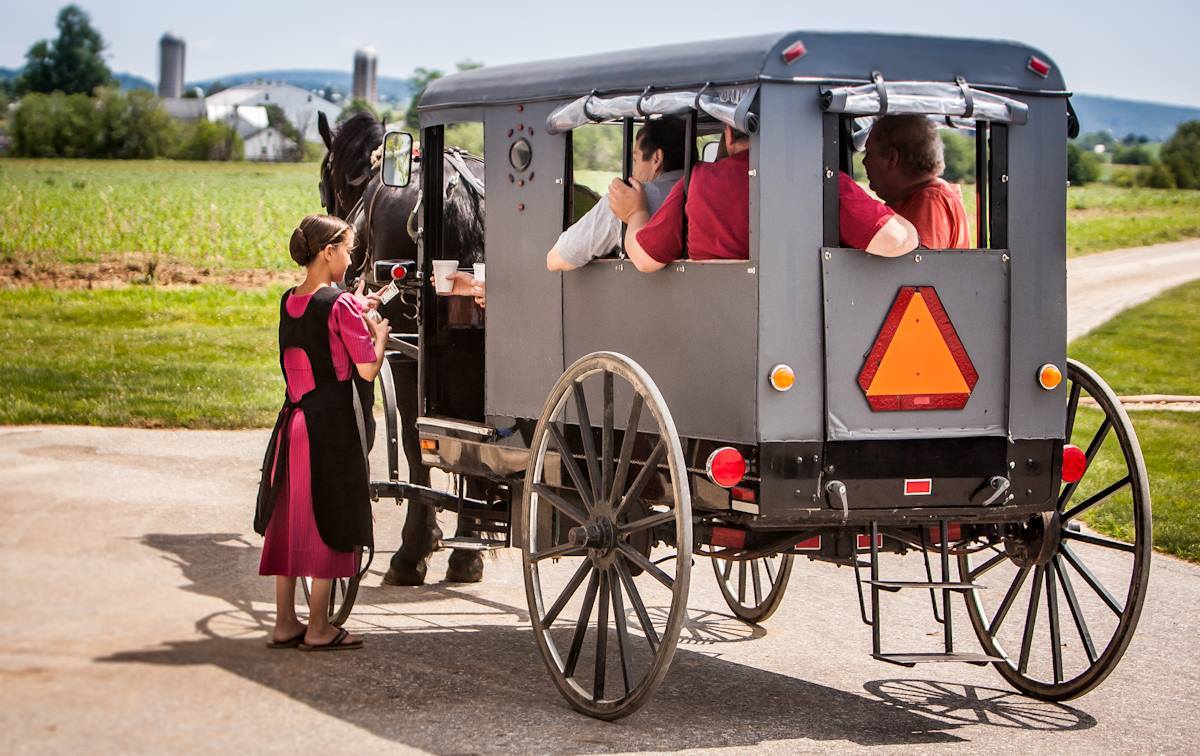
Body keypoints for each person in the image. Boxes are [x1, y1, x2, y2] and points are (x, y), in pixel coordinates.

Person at [254, 213, 389, 652]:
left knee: (290, 521)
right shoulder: (341, 304)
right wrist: (378, 333)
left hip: (293, 422)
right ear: (328, 252)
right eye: (348, 249)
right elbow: (366, 367)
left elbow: (320, 327)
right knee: (328, 519)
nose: (350, 259)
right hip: (328, 428)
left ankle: (285, 622)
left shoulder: (288, 299)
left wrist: (354, 307)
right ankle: (319, 628)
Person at [608, 125, 918, 271]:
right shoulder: (822, 181)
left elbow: (646, 260)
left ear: (728, 135)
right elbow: (894, 240)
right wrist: (906, 226)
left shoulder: (697, 182)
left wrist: (635, 213)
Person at [546, 118, 688, 271]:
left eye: (635, 159)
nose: (633, 171)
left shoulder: (629, 198)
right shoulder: (700, 194)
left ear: (657, 158)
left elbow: (558, 258)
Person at [862, 114, 971, 249]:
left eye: (869, 153)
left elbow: (916, 265)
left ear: (892, 158)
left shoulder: (929, 200)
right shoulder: (918, 198)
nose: (864, 161)